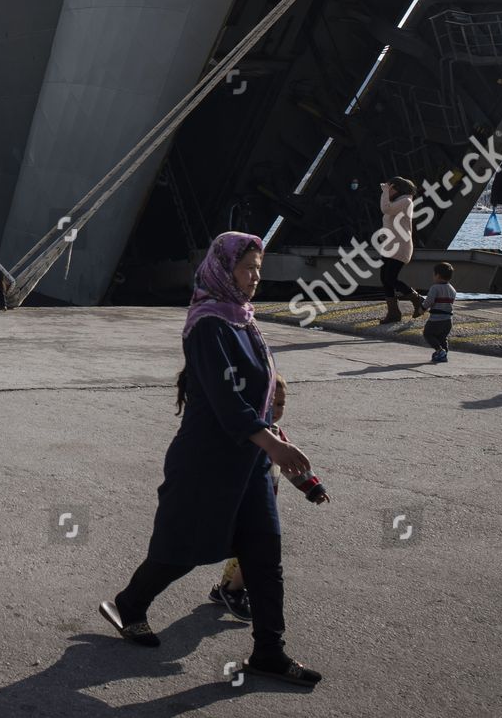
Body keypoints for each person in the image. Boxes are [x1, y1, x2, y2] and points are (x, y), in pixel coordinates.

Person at [98, 232, 322, 687]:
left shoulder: (245, 319)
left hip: (251, 463)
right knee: (182, 550)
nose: (256, 278)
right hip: (207, 460)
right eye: (247, 269)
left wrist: (275, 417)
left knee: (264, 554)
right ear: (222, 270)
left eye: (259, 269)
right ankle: (130, 604)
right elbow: (226, 400)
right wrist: (275, 446)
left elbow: (257, 390)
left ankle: (269, 653)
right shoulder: (208, 324)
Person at [208, 372, 329, 621]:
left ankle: (228, 589)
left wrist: (312, 487)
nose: (276, 409)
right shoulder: (242, 432)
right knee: (256, 551)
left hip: (262, 504)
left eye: (281, 404)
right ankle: (232, 590)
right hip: (239, 503)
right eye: (271, 403)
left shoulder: (275, 434)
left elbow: (292, 466)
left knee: (249, 549)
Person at [378, 177, 426, 323]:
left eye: (391, 188)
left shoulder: (406, 201)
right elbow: (389, 218)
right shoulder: (397, 202)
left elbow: (385, 209)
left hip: (400, 246)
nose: (388, 191)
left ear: (398, 189)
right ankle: (393, 313)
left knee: (391, 278)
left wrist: (384, 192)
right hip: (389, 246)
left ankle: (418, 300)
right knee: (385, 279)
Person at [421, 262, 457, 362]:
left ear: (437, 275)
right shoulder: (452, 289)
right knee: (442, 337)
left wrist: (422, 308)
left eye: (434, 274)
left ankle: (439, 350)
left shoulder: (435, 288)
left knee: (428, 334)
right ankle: (444, 352)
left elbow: (429, 301)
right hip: (448, 320)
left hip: (436, 319)